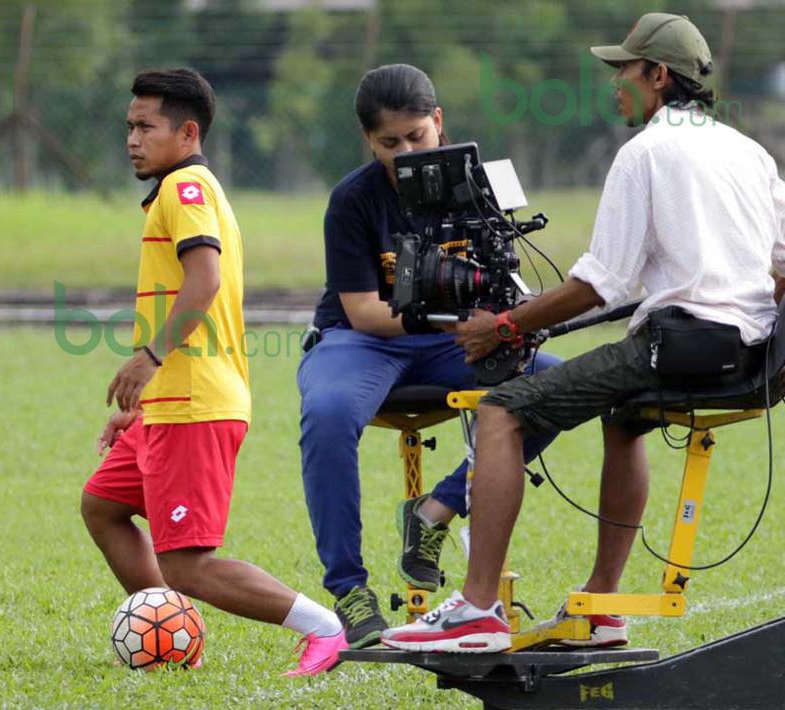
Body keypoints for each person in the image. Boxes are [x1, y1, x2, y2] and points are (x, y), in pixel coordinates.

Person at [382, 13, 785, 653]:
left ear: (658, 75)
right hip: (748, 354)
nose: (614, 84)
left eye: (624, 70)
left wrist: (504, 325)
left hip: (676, 346)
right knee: (624, 419)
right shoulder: (749, 152)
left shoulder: (644, 152)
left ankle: (477, 609)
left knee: (500, 412)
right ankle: (602, 607)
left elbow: (602, 283)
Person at [80, 68, 347, 675]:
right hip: (170, 403)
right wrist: (143, 404)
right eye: (129, 126)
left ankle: (327, 629)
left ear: (188, 133)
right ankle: (170, 634)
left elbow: (204, 280)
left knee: (188, 565)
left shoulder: (186, 189)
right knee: (102, 505)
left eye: (147, 127)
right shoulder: (179, 189)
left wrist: (149, 359)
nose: (132, 139)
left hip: (196, 405)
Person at [297, 63, 563, 650]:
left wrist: (499, 319)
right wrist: (449, 321)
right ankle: (350, 592)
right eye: (389, 143)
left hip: (453, 341)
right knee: (329, 414)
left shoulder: (479, 186)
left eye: (416, 136)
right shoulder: (352, 200)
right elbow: (364, 311)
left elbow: (503, 280)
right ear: (368, 140)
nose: (406, 153)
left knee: (559, 386)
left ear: (438, 121)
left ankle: (435, 510)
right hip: (362, 339)